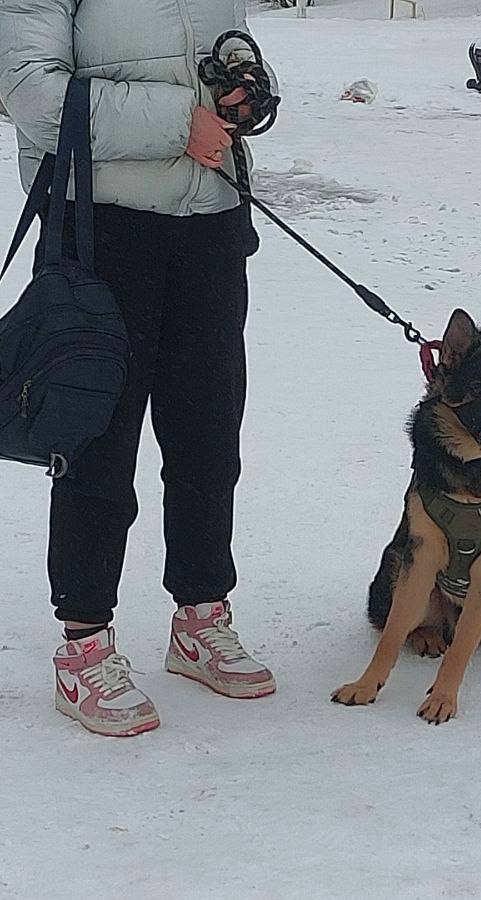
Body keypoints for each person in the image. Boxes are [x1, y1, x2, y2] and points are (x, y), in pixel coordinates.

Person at [0, 1, 277, 737]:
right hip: (102, 229)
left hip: (210, 225)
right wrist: (180, 122)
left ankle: (201, 615)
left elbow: (231, 49)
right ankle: (85, 644)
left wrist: (247, 89)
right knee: (99, 440)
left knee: (208, 434)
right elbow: (31, 95)